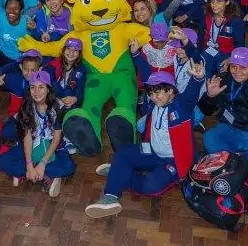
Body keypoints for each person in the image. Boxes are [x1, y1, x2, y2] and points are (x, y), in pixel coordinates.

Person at [85, 66, 206, 218]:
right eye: (150, 93)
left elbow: (190, 96)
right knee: (122, 154)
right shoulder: (153, 105)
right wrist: (136, 55)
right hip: (153, 150)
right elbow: (146, 73)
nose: (154, 97)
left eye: (158, 92)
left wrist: (197, 80)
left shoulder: (182, 108)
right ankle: (110, 197)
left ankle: (119, 172)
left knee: (150, 187)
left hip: (173, 161)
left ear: (171, 90)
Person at [197, 47, 248, 173]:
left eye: (243, 67)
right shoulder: (223, 79)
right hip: (230, 128)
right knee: (209, 138)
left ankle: (227, 162)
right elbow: (206, 111)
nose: (237, 72)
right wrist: (210, 96)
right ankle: (236, 164)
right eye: (233, 66)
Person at [0, 70, 75, 197]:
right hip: (33, 144)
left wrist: (43, 163)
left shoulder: (57, 108)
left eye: (41, 87)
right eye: (33, 87)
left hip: (53, 146)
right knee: (3, 161)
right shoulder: (27, 107)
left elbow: (56, 139)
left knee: (69, 167)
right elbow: (27, 137)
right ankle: (40, 174)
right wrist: (29, 165)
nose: (36, 92)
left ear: (48, 89)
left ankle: (31, 173)